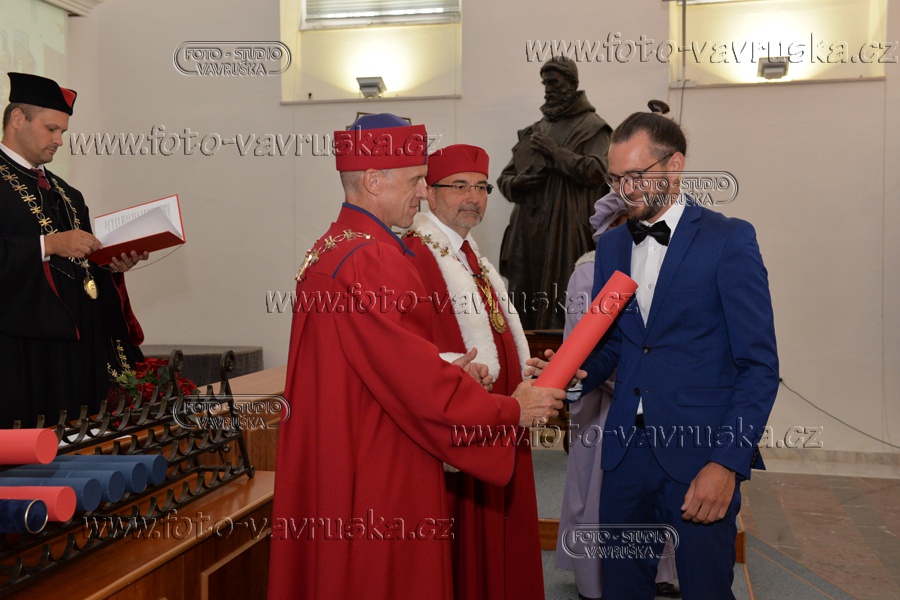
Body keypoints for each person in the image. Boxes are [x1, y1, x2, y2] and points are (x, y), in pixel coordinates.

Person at [267, 114, 566, 600]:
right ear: (373, 180)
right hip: (381, 460)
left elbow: (374, 364)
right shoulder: (374, 260)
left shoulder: (331, 248)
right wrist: (511, 410)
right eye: (415, 180)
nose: (424, 193)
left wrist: (443, 368)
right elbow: (419, 389)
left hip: (341, 446)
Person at [580, 109, 778, 599]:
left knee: (706, 588)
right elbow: (617, 343)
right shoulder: (612, 247)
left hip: (700, 453)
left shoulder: (728, 239)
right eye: (615, 179)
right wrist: (576, 373)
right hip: (624, 454)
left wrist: (726, 463)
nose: (624, 191)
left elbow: (758, 366)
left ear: (674, 166)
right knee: (621, 589)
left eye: (635, 176)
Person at [404, 144, 543, 600]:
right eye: (459, 186)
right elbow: (409, 350)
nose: (473, 197)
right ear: (429, 192)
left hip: (502, 420)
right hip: (462, 431)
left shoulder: (473, 257)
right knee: (465, 545)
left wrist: (525, 369)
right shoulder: (415, 255)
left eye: (481, 188)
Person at [0, 72, 145, 428]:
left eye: (62, 131)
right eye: (51, 129)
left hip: (77, 351)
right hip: (18, 355)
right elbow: (53, 250)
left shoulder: (67, 193)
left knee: (80, 446)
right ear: (17, 119)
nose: (59, 141)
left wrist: (112, 265)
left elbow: (81, 268)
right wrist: (48, 244)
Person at [555, 192, 679, 599]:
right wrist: (636, 383)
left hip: (657, 401)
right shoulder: (590, 274)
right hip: (605, 403)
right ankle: (595, 580)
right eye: (626, 222)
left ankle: (658, 572)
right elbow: (584, 347)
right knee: (601, 493)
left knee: (656, 489)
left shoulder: (664, 266)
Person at [497, 56, 612, 330]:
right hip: (528, 231)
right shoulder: (535, 130)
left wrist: (555, 152)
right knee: (525, 301)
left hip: (566, 229)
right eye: (545, 83)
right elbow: (505, 178)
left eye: (554, 82)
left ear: (571, 84)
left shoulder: (593, 127)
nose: (547, 89)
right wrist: (519, 183)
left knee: (562, 299)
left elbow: (599, 171)